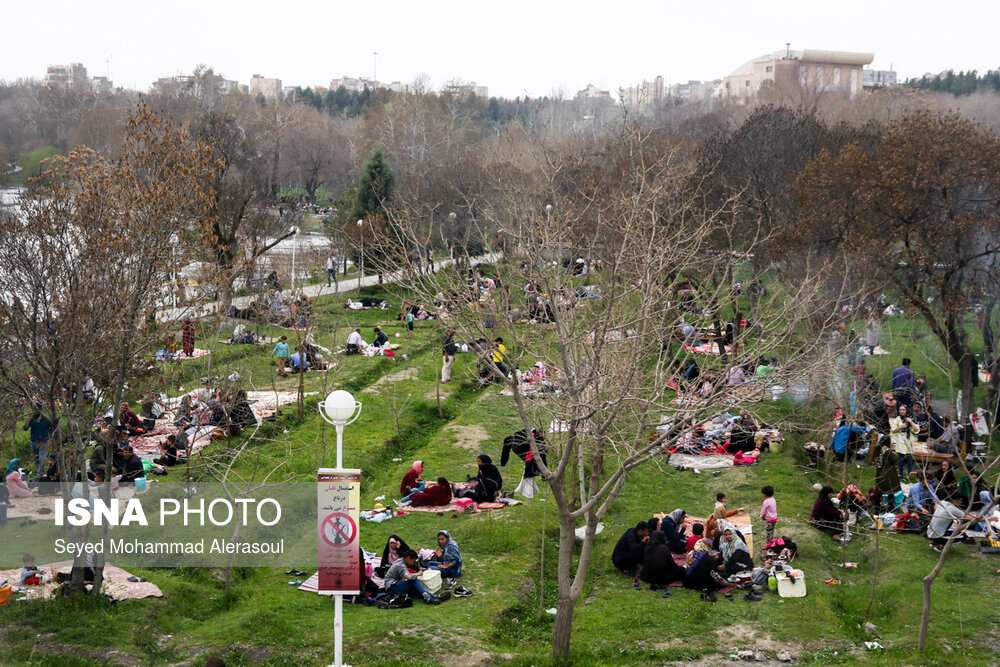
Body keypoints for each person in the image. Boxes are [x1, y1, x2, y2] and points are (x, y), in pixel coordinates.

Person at [383, 549, 449, 604]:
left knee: (417, 588)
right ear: (408, 558)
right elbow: (408, 576)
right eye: (413, 561)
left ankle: (433, 596)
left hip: (394, 585)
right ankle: (428, 598)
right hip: (391, 587)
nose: (413, 563)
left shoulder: (401, 561)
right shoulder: (401, 565)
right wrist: (418, 574)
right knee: (414, 580)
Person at [501, 428, 547, 498]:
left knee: (538, 457)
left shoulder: (539, 441)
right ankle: (503, 462)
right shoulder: (516, 439)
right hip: (522, 448)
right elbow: (543, 459)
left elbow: (543, 458)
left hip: (527, 449)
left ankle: (503, 462)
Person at [890, 404, 919, 477]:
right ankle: (900, 473)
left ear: (906, 410)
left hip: (909, 439)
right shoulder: (897, 419)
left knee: (909, 458)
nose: (902, 411)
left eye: (903, 410)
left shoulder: (911, 418)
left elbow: (916, 429)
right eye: (900, 410)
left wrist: (910, 422)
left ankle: (909, 474)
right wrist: (900, 427)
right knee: (900, 457)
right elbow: (893, 430)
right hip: (900, 439)